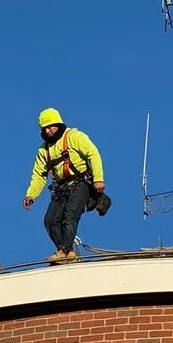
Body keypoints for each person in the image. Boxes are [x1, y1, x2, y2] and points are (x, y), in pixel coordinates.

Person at [23, 108, 105, 264]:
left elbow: (93, 154)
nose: (48, 131)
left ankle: (65, 250)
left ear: (58, 123)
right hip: (61, 187)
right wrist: (31, 195)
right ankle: (66, 252)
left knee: (70, 216)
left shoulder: (74, 136)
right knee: (50, 220)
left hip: (80, 183)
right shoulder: (44, 149)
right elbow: (39, 174)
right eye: (44, 128)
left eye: (50, 126)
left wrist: (98, 179)